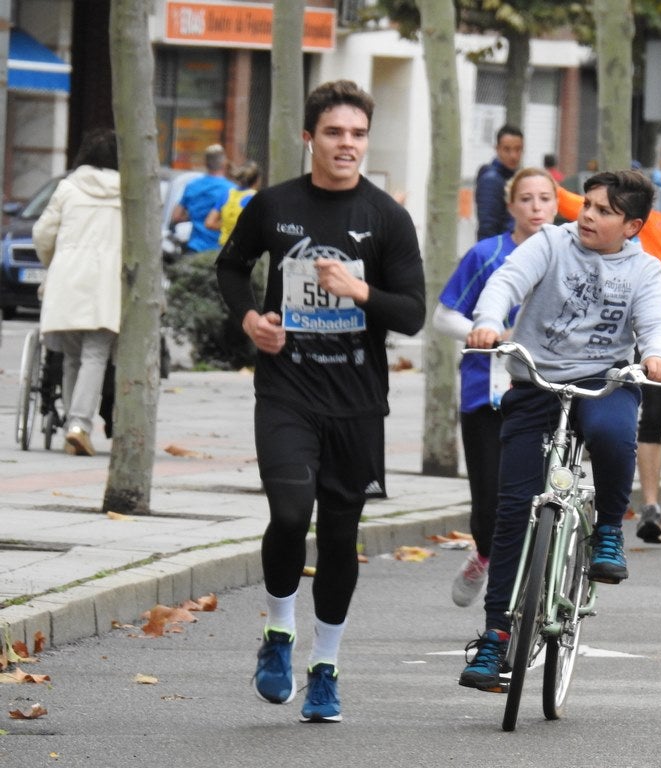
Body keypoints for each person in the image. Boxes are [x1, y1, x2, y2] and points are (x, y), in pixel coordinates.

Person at [216, 80, 425, 722]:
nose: (347, 145)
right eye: (334, 133)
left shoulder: (386, 217)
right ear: (310, 138)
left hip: (357, 402)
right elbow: (231, 266)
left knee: (338, 537)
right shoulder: (274, 204)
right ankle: (279, 632)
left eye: (357, 134)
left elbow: (412, 314)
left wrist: (359, 292)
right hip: (287, 391)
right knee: (288, 513)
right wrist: (251, 319)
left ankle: (325, 667)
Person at [458, 169, 661, 690]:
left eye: (604, 211)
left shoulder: (645, 270)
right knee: (511, 510)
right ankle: (496, 638)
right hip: (535, 378)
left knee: (613, 431)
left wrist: (658, 354)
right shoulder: (551, 242)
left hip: (604, 379)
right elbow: (506, 280)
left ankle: (606, 533)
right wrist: (489, 320)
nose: (588, 215)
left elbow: (656, 321)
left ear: (633, 225)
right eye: (588, 205)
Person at [556, 123, 661, 542]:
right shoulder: (641, 203)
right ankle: (650, 507)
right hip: (652, 330)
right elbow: (574, 204)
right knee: (648, 419)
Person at [432, 167, 559, 607]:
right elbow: (443, 316)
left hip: (548, 389)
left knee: (538, 497)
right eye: (526, 199)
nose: (536, 207)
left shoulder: (570, 254)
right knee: (490, 504)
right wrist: (486, 332)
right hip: (486, 393)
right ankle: (484, 552)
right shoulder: (487, 254)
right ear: (510, 207)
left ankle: (533, 587)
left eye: (545, 198)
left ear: (557, 205)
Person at [32, 128, 122, 458]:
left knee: (72, 356)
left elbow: (43, 234)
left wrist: (54, 261)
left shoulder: (67, 188)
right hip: (107, 284)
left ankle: (74, 423)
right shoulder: (130, 191)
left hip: (67, 280)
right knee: (96, 355)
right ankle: (79, 426)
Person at [171, 143, 237, 254]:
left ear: (206, 163)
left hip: (195, 248)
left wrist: (193, 215)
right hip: (220, 250)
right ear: (224, 163)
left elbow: (176, 216)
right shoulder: (232, 190)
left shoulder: (192, 185)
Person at [475, 125, 524, 240]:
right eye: (507, 149)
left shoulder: (514, 177)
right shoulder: (491, 180)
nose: (513, 155)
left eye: (518, 149)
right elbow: (487, 226)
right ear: (497, 149)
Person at [205, 160, 262, 246]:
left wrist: (228, 225)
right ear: (257, 180)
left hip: (224, 247)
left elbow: (209, 223)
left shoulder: (227, 194)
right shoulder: (255, 197)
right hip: (243, 248)